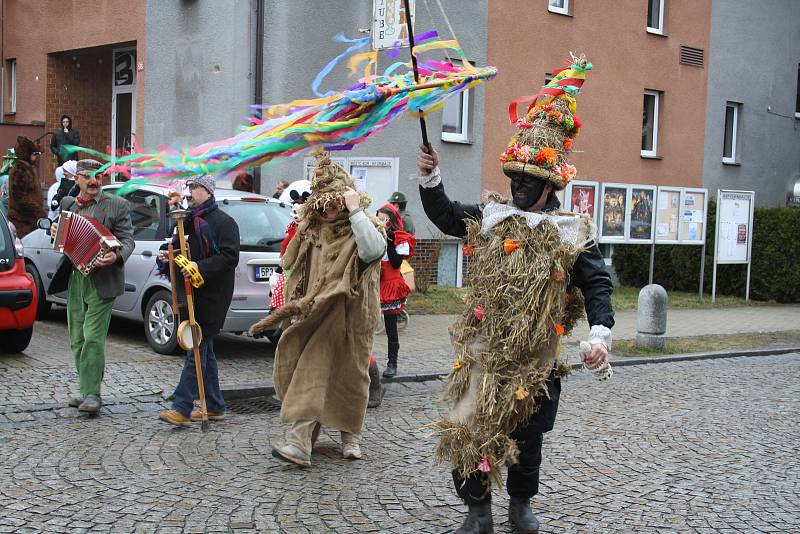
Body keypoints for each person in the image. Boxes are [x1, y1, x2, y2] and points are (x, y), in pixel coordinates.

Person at [418, 56, 613, 533]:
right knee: (469, 425)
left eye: (527, 180)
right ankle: (477, 510)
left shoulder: (571, 232)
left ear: (548, 183)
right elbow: (445, 215)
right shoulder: (493, 217)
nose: (517, 187)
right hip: (484, 346)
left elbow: (597, 283)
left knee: (528, 434)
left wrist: (601, 333)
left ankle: (521, 505)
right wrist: (431, 174)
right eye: (514, 179)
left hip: (537, 354)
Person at [249, 152, 385, 467]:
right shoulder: (312, 230)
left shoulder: (364, 225)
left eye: (336, 201)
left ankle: (350, 435)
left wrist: (355, 212)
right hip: (317, 313)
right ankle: (300, 441)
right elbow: (292, 265)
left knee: (351, 377)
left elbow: (374, 250)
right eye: (324, 203)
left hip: (353, 317)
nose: (330, 208)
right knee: (312, 369)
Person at [48, 159, 135, 414]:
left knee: (93, 338)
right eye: (87, 177)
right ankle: (86, 388)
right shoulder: (69, 204)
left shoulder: (116, 205)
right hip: (77, 277)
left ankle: (93, 395)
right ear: (77, 179)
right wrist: (54, 231)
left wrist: (116, 255)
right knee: (77, 339)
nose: (94, 181)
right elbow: (59, 240)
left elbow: (128, 240)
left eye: (98, 176)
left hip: (103, 279)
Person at [157, 174, 240, 427]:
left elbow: (229, 258)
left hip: (213, 294)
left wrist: (198, 266)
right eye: (189, 187)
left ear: (208, 191)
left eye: (195, 188)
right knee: (205, 349)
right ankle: (215, 405)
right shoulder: (188, 220)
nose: (190, 192)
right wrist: (168, 257)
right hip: (191, 291)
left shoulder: (224, 222)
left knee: (196, 346)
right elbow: (182, 251)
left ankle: (181, 406)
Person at [376, 203, 415, 378]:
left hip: (390, 285)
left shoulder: (399, 238)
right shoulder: (373, 235)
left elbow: (396, 263)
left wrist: (390, 243)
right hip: (372, 284)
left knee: (391, 327)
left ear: (390, 221)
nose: (381, 221)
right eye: (378, 218)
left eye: (384, 219)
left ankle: (392, 363)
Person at [7, 136, 46, 237]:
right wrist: (40, 214)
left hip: (29, 223)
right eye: (33, 154)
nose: (36, 157)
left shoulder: (26, 169)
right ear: (26, 154)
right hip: (23, 224)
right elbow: (21, 199)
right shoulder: (20, 171)